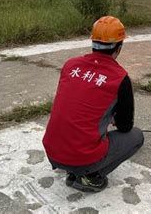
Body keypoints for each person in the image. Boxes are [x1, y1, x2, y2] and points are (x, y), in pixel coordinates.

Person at [43, 16, 144, 192]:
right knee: (136, 136)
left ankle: (74, 169)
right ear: (119, 47)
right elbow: (125, 125)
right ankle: (88, 176)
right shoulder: (120, 78)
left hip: (52, 151)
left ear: (92, 42)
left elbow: (74, 103)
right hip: (82, 156)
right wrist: (112, 118)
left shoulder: (70, 65)